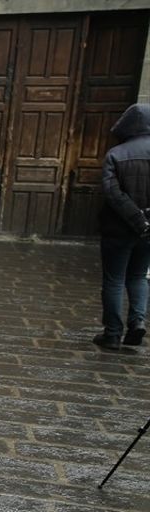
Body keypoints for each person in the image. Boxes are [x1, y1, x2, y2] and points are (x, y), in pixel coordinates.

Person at [95, 103, 150, 350]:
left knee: (114, 280)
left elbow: (112, 193)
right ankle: (137, 322)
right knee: (138, 276)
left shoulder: (116, 154)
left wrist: (136, 218)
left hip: (118, 228)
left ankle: (113, 333)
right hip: (148, 230)